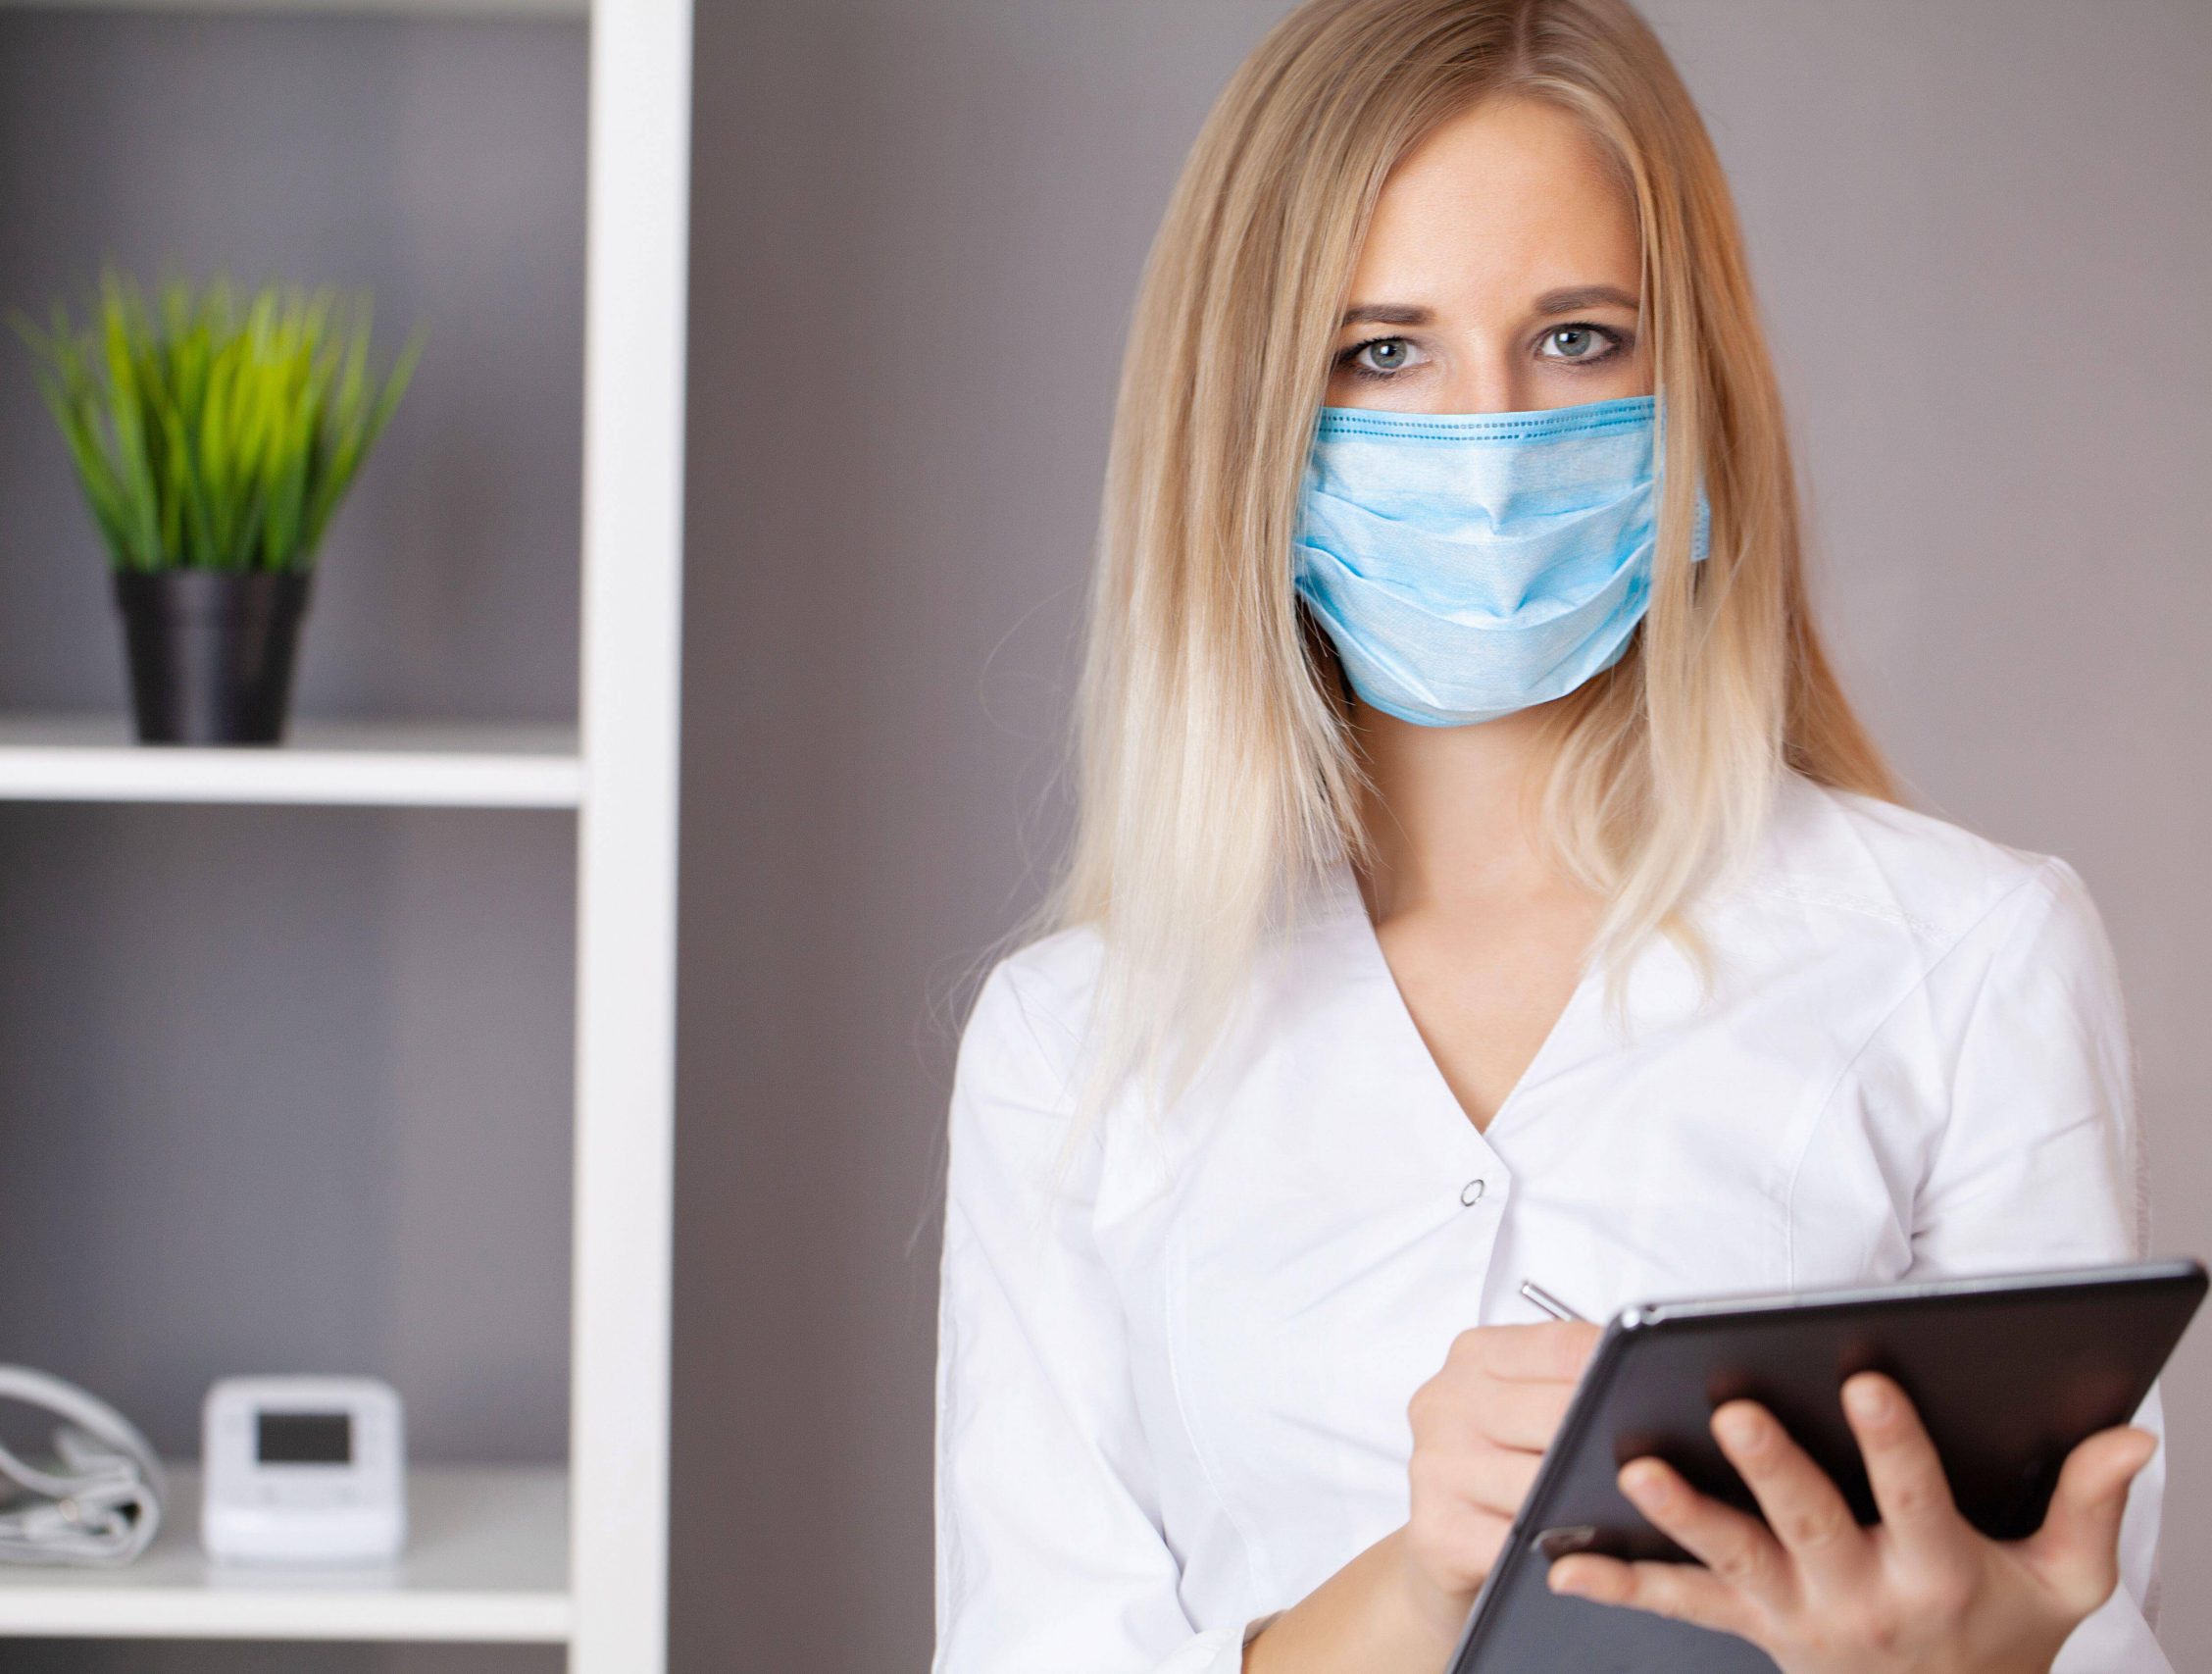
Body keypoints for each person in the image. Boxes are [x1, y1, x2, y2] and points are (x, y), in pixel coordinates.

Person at [928, 2, 2170, 1671]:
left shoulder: (1966, 961)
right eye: (1384, 351)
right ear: (1248, 429)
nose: (1490, 445)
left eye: (1578, 340)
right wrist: (1419, 1582)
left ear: (1698, 386)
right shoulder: (1073, 1046)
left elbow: (2087, 1623)